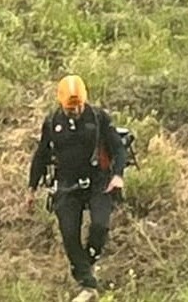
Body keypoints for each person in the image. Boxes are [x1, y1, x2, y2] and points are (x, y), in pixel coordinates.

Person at [28, 76, 128, 293]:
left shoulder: (98, 118)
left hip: (98, 181)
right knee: (69, 233)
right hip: (67, 184)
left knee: (100, 226)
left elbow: (119, 149)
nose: (74, 111)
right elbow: (41, 155)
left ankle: (89, 261)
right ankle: (86, 280)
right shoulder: (52, 122)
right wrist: (32, 187)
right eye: (70, 108)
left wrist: (118, 175)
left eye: (78, 107)